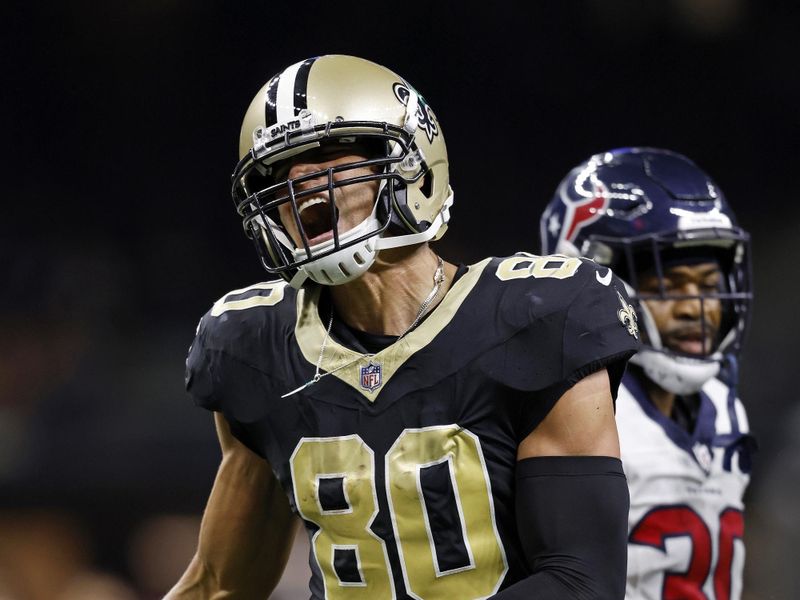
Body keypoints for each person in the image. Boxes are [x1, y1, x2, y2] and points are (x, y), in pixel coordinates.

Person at [167, 55, 640, 600]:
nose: (300, 182)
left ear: (413, 163)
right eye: (279, 171)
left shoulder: (541, 316)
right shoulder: (251, 347)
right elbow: (220, 585)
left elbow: (582, 583)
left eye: (326, 155)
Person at [540, 147, 755, 600]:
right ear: (595, 282)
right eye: (668, 286)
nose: (698, 309)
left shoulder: (721, 403)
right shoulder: (573, 415)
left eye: (709, 287)